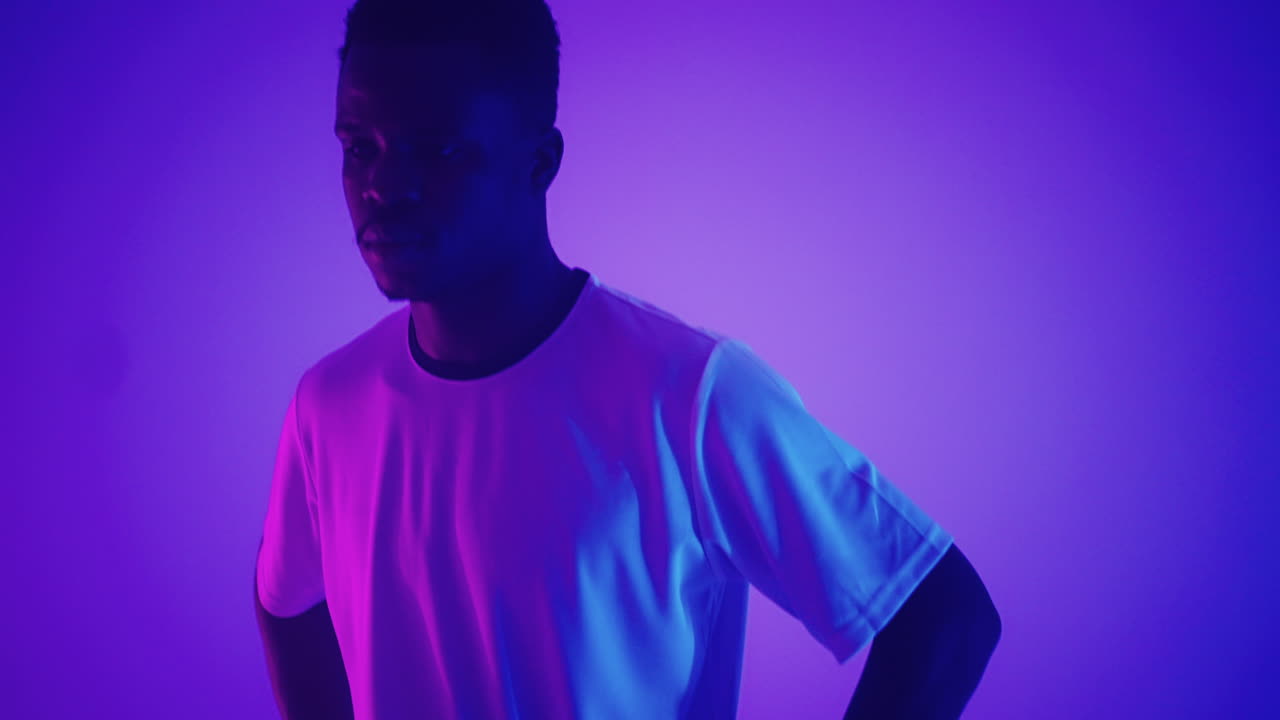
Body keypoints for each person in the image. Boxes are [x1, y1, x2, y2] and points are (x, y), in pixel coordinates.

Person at [253, 1, 1001, 718]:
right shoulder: (328, 402)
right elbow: (284, 599)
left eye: (437, 150)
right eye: (360, 148)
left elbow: (945, 616)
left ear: (539, 163)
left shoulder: (687, 393)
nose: (381, 184)